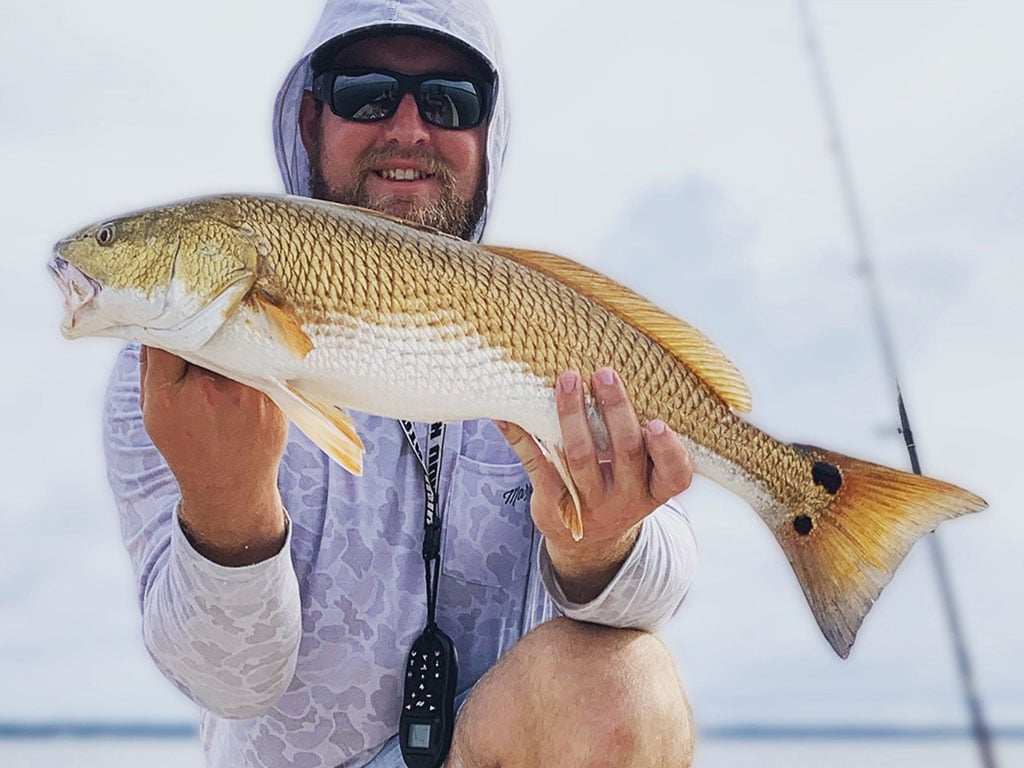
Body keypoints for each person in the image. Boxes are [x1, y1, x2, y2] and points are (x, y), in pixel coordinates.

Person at [104, 1, 699, 765]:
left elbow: (662, 590)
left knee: (628, 685)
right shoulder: (178, 370)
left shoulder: (554, 322)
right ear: (310, 119)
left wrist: (601, 547)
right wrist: (227, 509)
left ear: (491, 133)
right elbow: (225, 684)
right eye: (366, 92)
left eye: (451, 100)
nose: (410, 129)